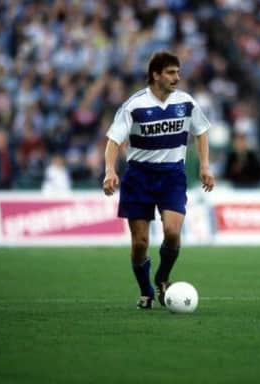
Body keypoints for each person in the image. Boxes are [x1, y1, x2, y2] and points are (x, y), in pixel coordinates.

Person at [102, 51, 215, 309]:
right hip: (139, 177)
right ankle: (146, 290)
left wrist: (205, 166)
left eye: (178, 72)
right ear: (156, 75)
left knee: (173, 233)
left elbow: (201, 131)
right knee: (140, 242)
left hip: (172, 175)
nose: (177, 77)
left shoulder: (186, 102)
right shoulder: (134, 105)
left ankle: (162, 277)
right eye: (171, 72)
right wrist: (110, 170)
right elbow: (113, 140)